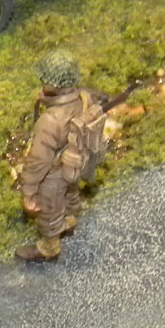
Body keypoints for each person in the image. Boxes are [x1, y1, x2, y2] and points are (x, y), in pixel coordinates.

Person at [15, 51, 109, 262]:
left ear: (52, 84)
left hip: (54, 172)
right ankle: (69, 221)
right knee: (70, 193)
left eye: (45, 79)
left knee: (48, 210)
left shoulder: (50, 120)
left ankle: (49, 248)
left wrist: (29, 191)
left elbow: (38, 161)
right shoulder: (85, 97)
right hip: (77, 163)